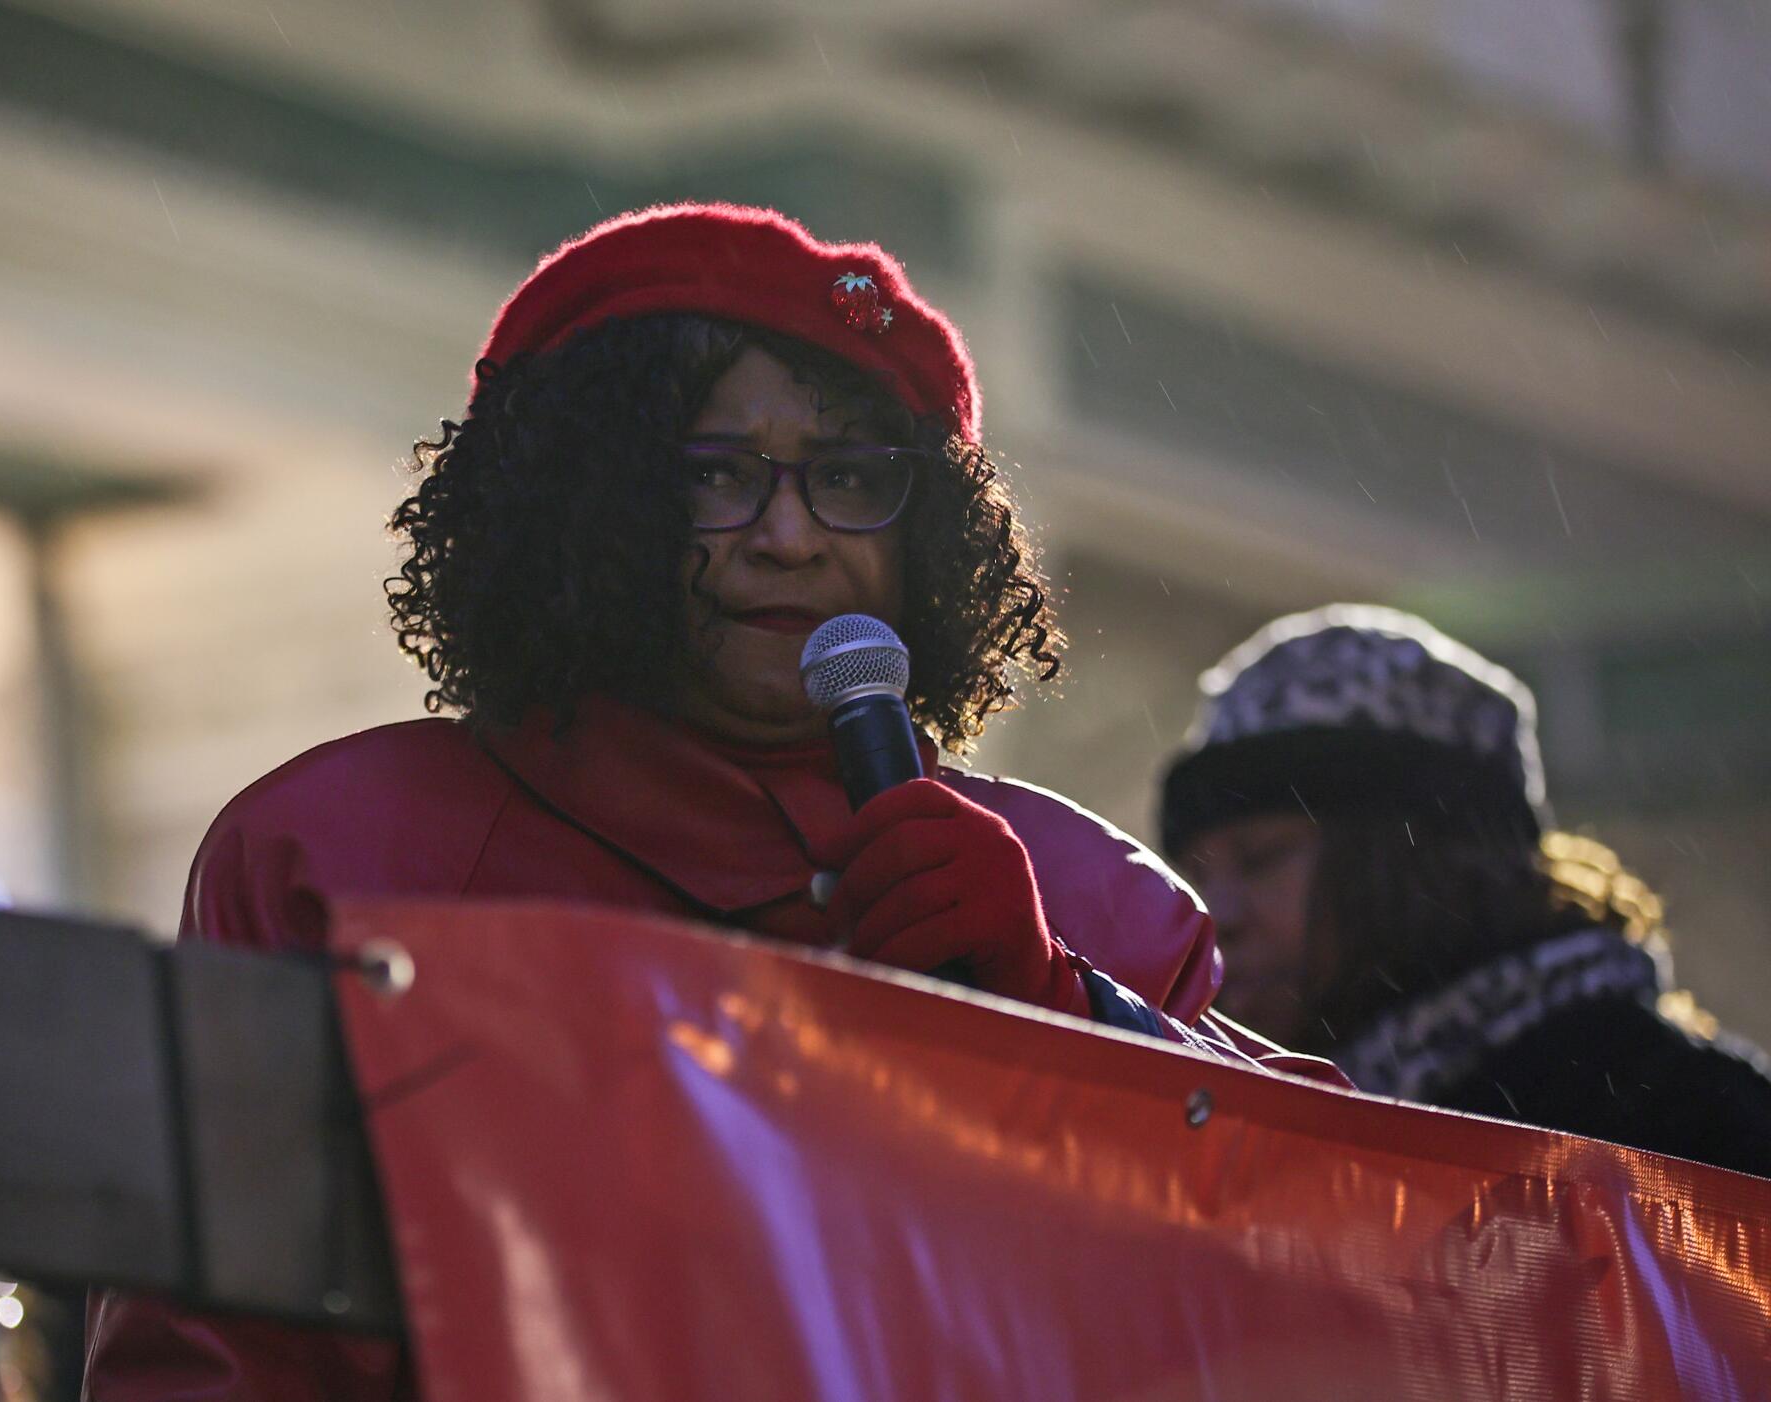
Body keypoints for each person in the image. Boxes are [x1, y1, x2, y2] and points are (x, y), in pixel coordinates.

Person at [86, 203, 1316, 1401]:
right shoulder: (332, 848)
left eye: (846, 474)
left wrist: (1062, 1014)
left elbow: (1361, 1275)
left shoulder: (1091, 900)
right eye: (715, 474)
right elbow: (208, 1364)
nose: (789, 535)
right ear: (582, 504)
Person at [1159, 603, 1771, 1177]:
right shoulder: (1256, 1150)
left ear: (1417, 854)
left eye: (1263, 860)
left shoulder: (1681, 1124)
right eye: (1196, 875)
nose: (1216, 915)